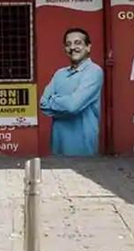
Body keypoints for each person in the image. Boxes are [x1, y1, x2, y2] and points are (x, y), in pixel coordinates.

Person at [40, 28, 104, 156]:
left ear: (88, 47)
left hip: (82, 147)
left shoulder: (94, 71)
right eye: (68, 44)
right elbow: (43, 104)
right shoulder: (59, 73)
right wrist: (66, 103)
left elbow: (73, 106)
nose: (72, 47)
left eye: (78, 43)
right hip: (58, 145)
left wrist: (53, 100)